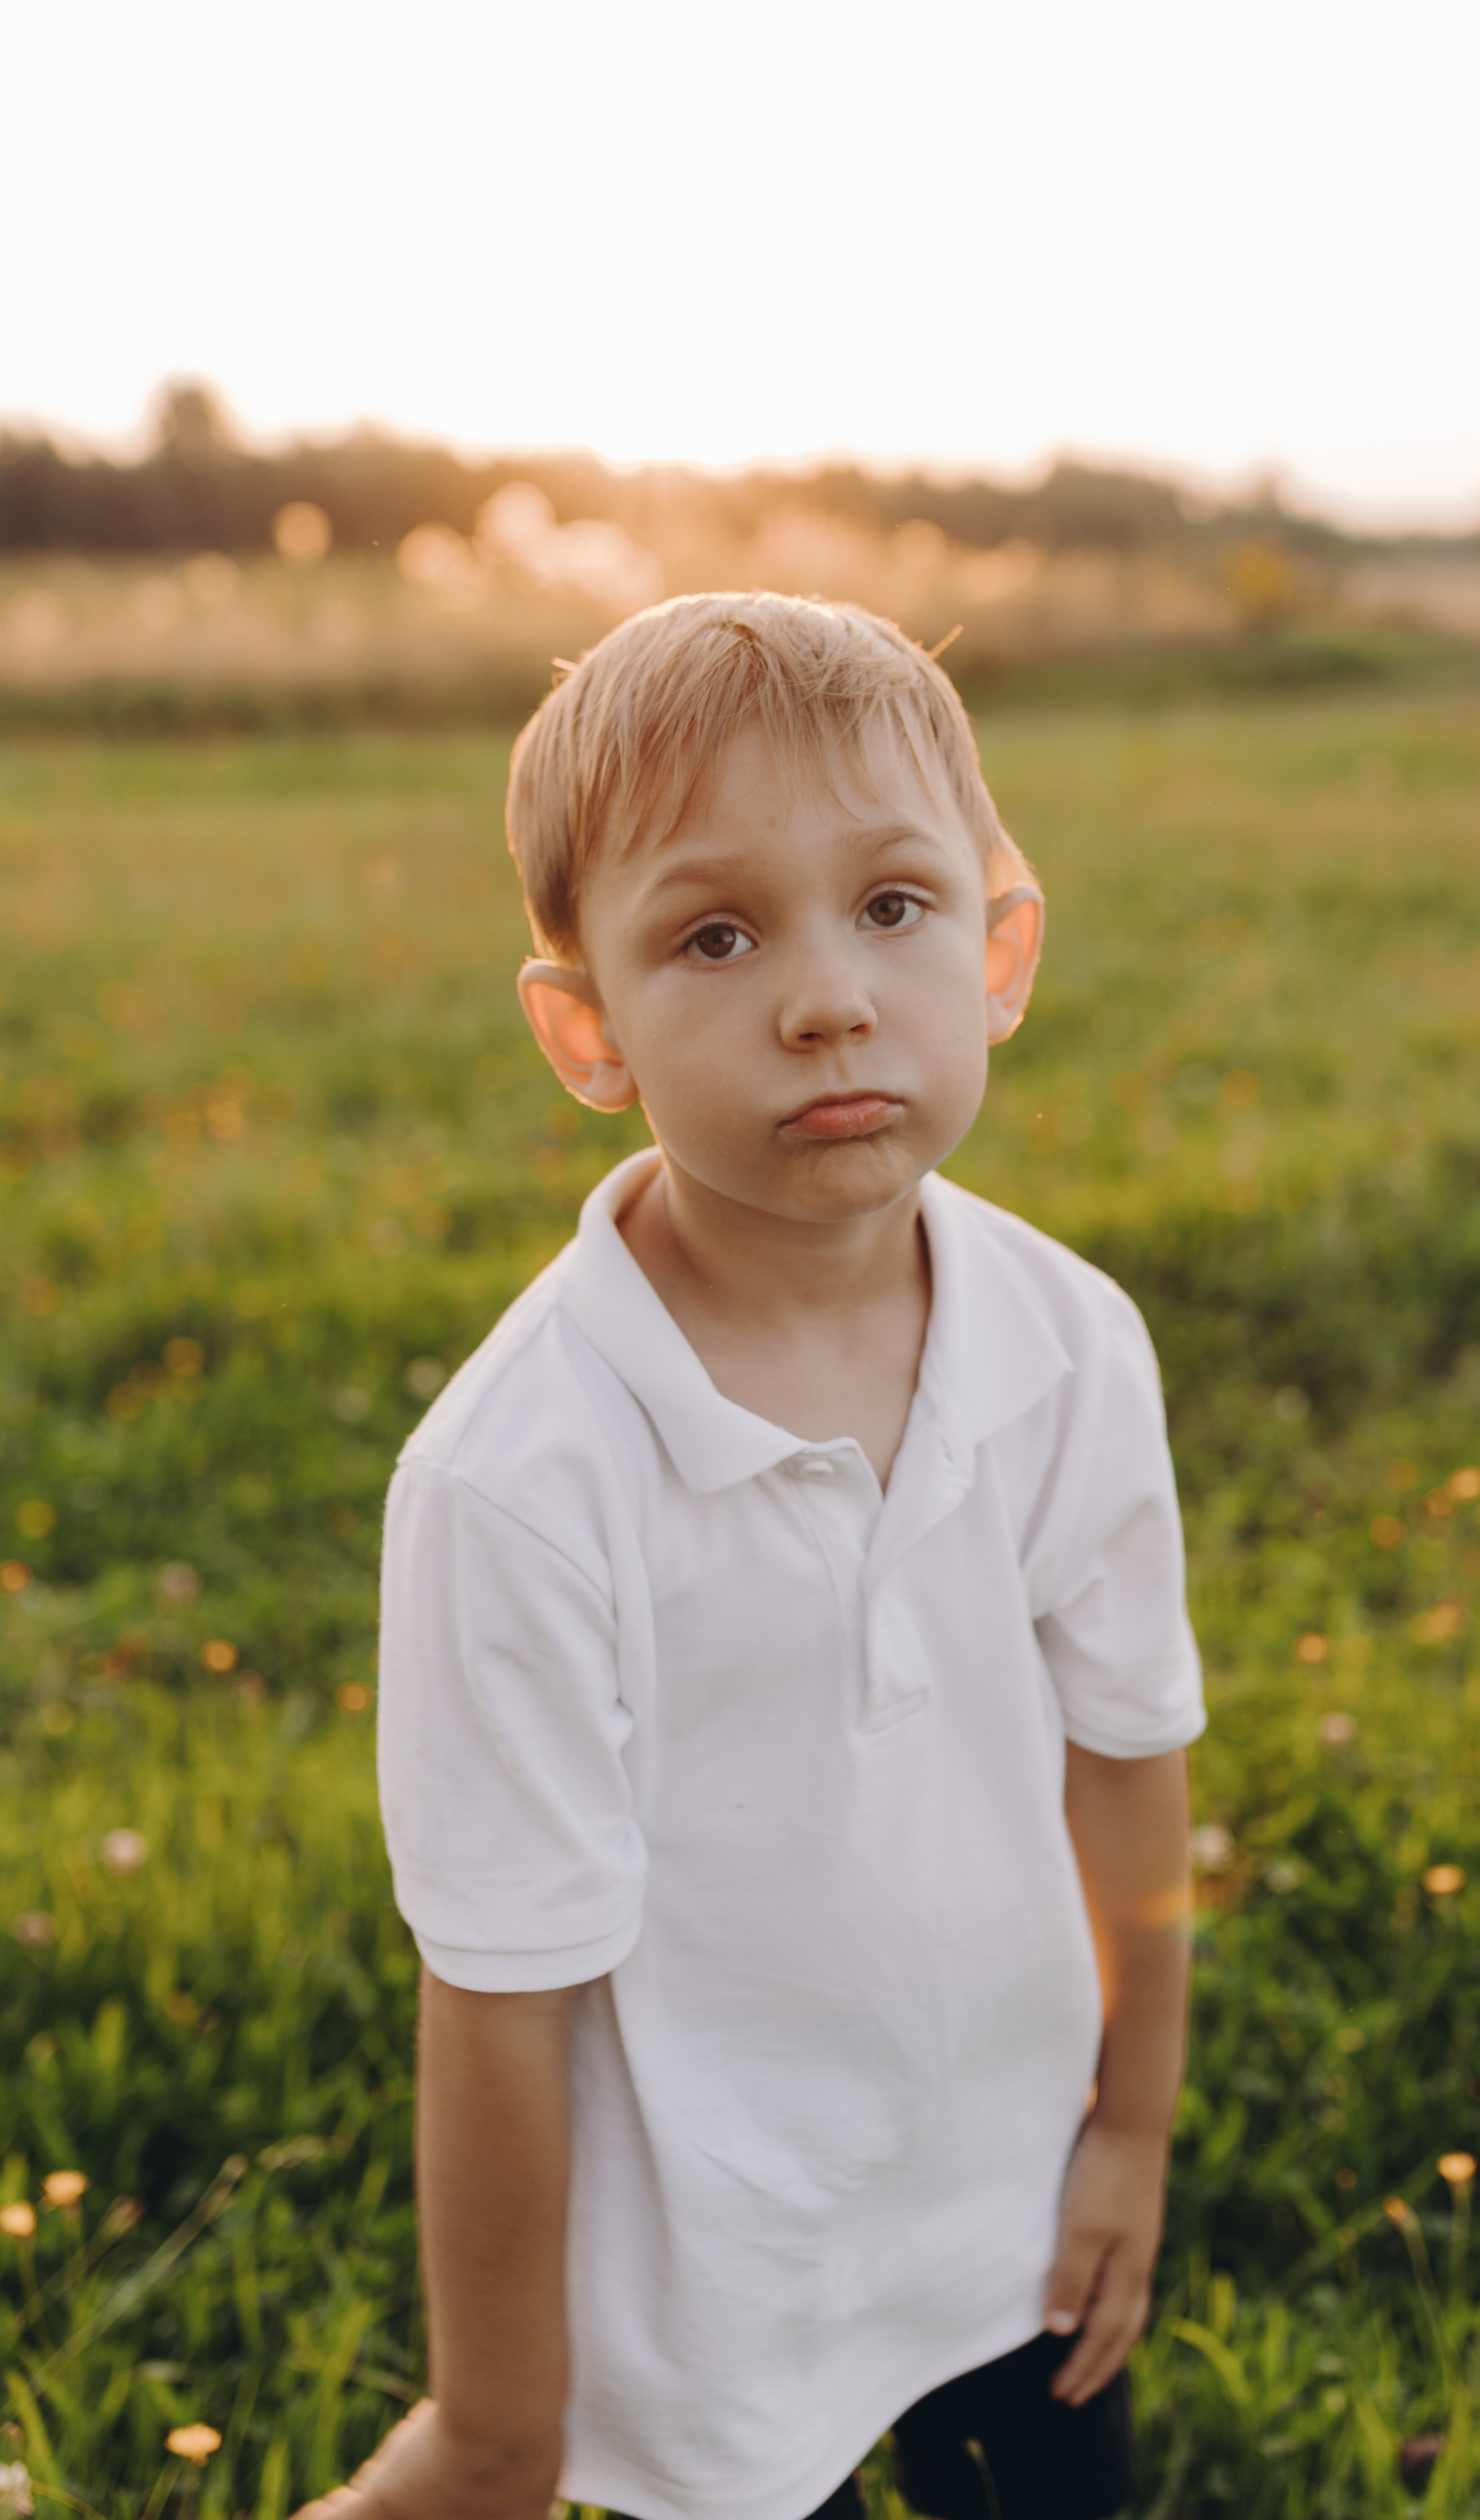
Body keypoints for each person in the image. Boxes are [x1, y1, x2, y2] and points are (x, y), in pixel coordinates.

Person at [299, 595, 1204, 2520]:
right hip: (708, 2285)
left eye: (893, 906)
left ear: (1001, 950)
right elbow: (502, 1990)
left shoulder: (1067, 1342)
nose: (828, 999)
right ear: (589, 1032)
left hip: (1016, 2197)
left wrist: (1130, 2129)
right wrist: (494, 2429)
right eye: (717, 936)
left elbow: (1130, 1754)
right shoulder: (519, 1481)